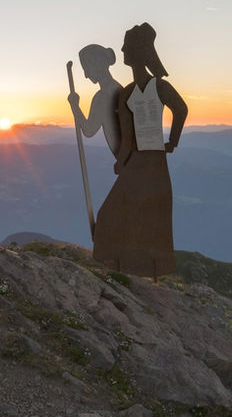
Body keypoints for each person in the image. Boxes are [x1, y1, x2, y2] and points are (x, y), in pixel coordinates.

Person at [92, 23, 188, 280]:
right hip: (145, 161)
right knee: (129, 216)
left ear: (137, 50)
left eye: (126, 45)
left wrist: (172, 142)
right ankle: (129, 272)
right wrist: (123, 161)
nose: (122, 49)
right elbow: (128, 137)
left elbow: (181, 109)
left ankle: (133, 273)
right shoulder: (127, 94)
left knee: (144, 218)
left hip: (149, 161)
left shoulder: (153, 88)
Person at [67, 44, 123, 156]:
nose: (86, 75)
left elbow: (88, 130)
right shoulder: (118, 88)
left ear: (97, 65)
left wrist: (74, 106)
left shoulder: (103, 96)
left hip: (125, 163)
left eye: (87, 69)